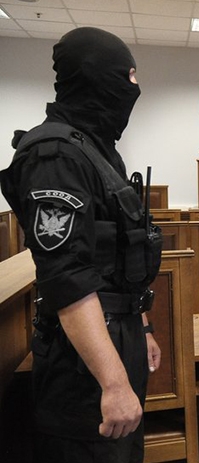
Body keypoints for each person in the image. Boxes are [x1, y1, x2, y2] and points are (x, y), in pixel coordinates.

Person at [0, 27, 162, 462]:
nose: (133, 87)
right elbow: (67, 277)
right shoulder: (54, 155)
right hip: (82, 362)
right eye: (127, 76)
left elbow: (118, 255)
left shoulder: (95, 149)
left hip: (118, 333)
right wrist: (113, 382)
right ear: (96, 76)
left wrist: (142, 326)